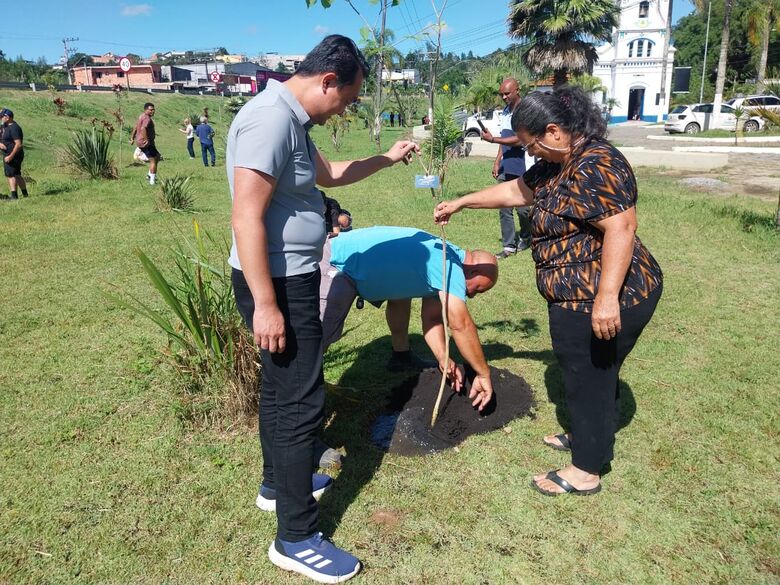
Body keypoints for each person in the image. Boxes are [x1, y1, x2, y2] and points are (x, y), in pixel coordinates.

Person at [226, 34, 419, 583]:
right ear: (328, 80)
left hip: (289, 278)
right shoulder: (271, 120)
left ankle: (277, 484)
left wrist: (387, 158)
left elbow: (329, 175)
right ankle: (296, 537)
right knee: (301, 401)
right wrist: (267, 305)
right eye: (348, 99)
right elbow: (246, 215)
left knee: (281, 390)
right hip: (277, 283)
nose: (344, 110)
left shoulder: (293, 121)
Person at [434, 85, 663, 497]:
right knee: (593, 374)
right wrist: (462, 202)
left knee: (588, 378)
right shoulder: (556, 163)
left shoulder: (596, 164)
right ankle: (589, 435)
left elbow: (622, 227)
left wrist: (606, 298)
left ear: (554, 131)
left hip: (608, 295)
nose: (530, 152)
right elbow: (516, 191)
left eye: (531, 144)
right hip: (576, 295)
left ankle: (586, 469)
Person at [319, 226, 498, 401]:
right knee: (318, 337)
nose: (472, 295)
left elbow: (432, 319)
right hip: (336, 260)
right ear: (474, 271)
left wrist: (443, 357)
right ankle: (307, 396)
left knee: (401, 295)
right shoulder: (449, 266)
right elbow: (461, 325)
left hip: (350, 261)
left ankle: (401, 357)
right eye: (478, 289)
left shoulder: (446, 259)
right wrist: (483, 373)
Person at [479, 78, 532, 259]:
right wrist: (497, 161)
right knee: (503, 206)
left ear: (517, 90)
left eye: (507, 93)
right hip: (506, 165)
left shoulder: (526, 111)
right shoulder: (505, 112)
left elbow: (520, 140)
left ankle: (527, 236)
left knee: (523, 208)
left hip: (523, 165)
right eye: (501, 94)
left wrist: (493, 139)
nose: (504, 97)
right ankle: (509, 246)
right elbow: (505, 138)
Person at [130, 102, 160, 185]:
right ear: (145, 110)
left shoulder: (141, 116)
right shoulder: (147, 118)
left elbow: (136, 127)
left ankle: (149, 175)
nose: (152, 111)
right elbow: (143, 128)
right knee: (153, 160)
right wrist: (146, 140)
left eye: (153, 110)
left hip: (140, 142)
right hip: (146, 143)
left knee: (157, 156)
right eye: (150, 110)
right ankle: (152, 181)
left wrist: (132, 138)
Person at [0, 109, 28, 200]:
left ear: (7, 117)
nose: (0, 118)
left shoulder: (14, 128)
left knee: (11, 175)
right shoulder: (5, 125)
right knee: (17, 174)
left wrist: (10, 156)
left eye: (1, 116)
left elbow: (18, 144)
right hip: (9, 153)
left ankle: (14, 197)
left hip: (13, 155)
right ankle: (25, 195)